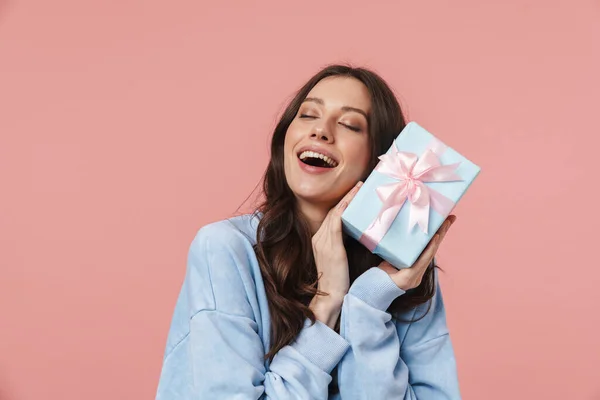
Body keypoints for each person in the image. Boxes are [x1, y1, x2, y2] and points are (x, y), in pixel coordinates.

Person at [155, 64, 461, 399]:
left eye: (349, 124)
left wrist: (369, 304)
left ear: (381, 162)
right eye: (308, 115)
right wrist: (326, 303)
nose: (321, 131)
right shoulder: (225, 249)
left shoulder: (401, 274)